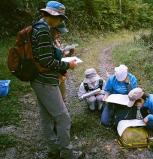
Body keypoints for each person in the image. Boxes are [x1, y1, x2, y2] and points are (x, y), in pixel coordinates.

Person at [30, 1, 83, 159]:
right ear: (52, 15)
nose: (60, 21)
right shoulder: (44, 31)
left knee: (46, 116)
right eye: (60, 18)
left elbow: (43, 57)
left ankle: (53, 149)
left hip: (38, 80)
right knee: (63, 118)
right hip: (45, 81)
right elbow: (47, 61)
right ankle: (67, 153)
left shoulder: (38, 27)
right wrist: (68, 65)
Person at [51, 22, 75, 102]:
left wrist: (69, 53)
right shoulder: (47, 43)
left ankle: (62, 101)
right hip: (53, 76)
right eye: (58, 32)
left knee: (62, 94)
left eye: (60, 33)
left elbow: (61, 56)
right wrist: (67, 66)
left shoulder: (57, 41)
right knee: (55, 98)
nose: (59, 35)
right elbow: (50, 61)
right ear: (52, 29)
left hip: (60, 74)